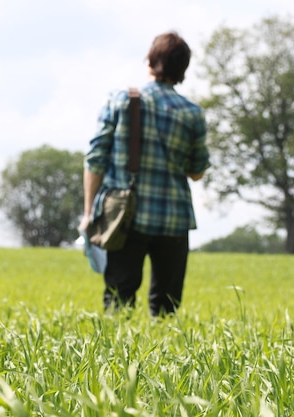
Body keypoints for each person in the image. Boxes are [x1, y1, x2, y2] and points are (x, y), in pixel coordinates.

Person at [79, 32, 211, 317]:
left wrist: (89, 211)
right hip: (174, 219)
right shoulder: (192, 114)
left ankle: (116, 361)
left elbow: (96, 159)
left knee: (118, 301)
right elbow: (198, 171)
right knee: (166, 309)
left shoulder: (121, 101)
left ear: (150, 62)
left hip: (126, 217)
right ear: (182, 71)